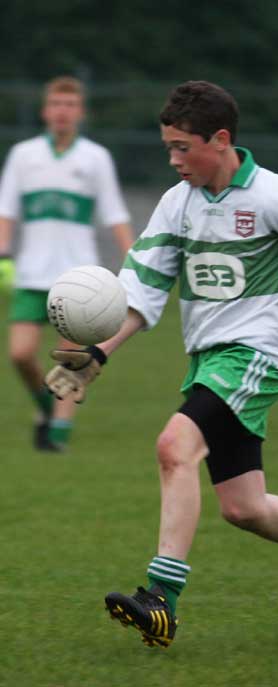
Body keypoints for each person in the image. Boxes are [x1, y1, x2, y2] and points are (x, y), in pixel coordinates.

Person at [45, 80, 278, 649]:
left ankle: (161, 600)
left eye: (182, 147)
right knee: (244, 509)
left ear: (220, 140)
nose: (173, 160)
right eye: (167, 147)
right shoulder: (178, 203)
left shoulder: (275, 198)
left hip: (256, 358)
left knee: (175, 446)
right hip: (208, 363)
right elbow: (142, 288)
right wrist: (97, 353)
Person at [0, 76, 134, 451]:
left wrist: (134, 261)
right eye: (57, 104)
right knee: (20, 353)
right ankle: (45, 403)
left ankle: (57, 433)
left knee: (72, 358)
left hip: (78, 277)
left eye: (70, 105)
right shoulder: (24, 155)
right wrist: (3, 249)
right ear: (46, 111)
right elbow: (6, 210)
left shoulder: (95, 158)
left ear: (80, 112)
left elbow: (115, 213)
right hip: (30, 273)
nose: (63, 111)